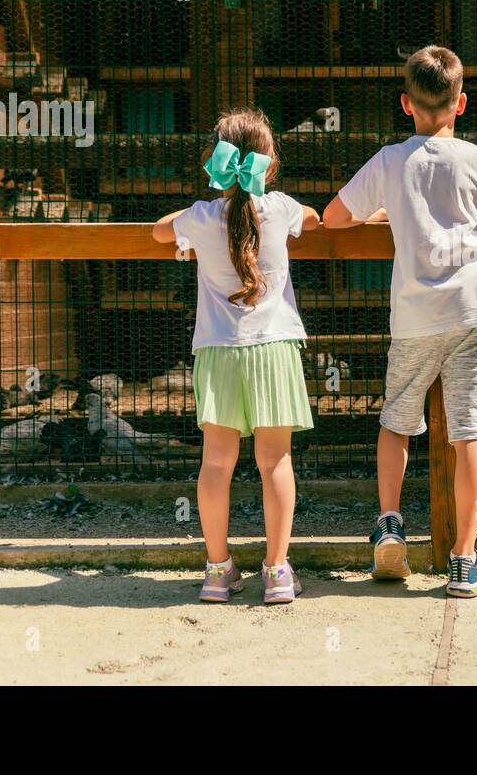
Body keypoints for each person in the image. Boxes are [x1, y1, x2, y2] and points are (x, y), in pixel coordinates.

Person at [323, 45, 477, 597]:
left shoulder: (390, 161)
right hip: (473, 311)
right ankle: (465, 560)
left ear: (406, 104)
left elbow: (333, 217)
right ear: (461, 103)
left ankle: (391, 522)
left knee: (397, 419)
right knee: (471, 431)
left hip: (415, 315)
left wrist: (386, 211)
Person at [153, 108, 318, 604]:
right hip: (274, 350)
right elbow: (315, 218)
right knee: (275, 462)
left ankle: (218, 571)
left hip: (218, 353)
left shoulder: (202, 217)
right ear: (269, 167)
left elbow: (160, 231)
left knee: (216, 464)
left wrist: (206, 201)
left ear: (215, 162)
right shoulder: (283, 208)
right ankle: (276, 571)